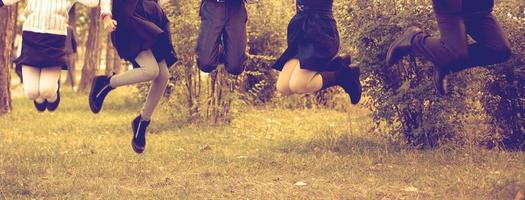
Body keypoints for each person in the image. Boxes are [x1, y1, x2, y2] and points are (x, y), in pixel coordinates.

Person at [90, 0, 178, 154]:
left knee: (163, 76)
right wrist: (106, 16)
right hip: (130, 17)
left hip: (151, 17)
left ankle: (141, 122)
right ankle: (106, 83)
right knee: (150, 70)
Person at [386, 0, 512, 95]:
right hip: (451, 7)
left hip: (478, 8)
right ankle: (414, 40)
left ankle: (444, 63)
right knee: (455, 54)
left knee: (499, 50)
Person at [0, 0, 100, 112]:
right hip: (31, 36)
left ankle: (53, 94)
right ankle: (41, 97)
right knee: (31, 93)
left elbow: (93, 2)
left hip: (55, 38)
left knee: (46, 90)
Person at [273, 0, 362, 104]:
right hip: (301, 29)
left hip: (320, 31)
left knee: (298, 85)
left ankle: (344, 76)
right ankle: (336, 65)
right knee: (283, 86)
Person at [195, 0, 249, 75]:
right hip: (213, 7)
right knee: (205, 64)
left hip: (236, 9)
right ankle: (217, 47)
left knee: (235, 67)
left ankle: (227, 48)